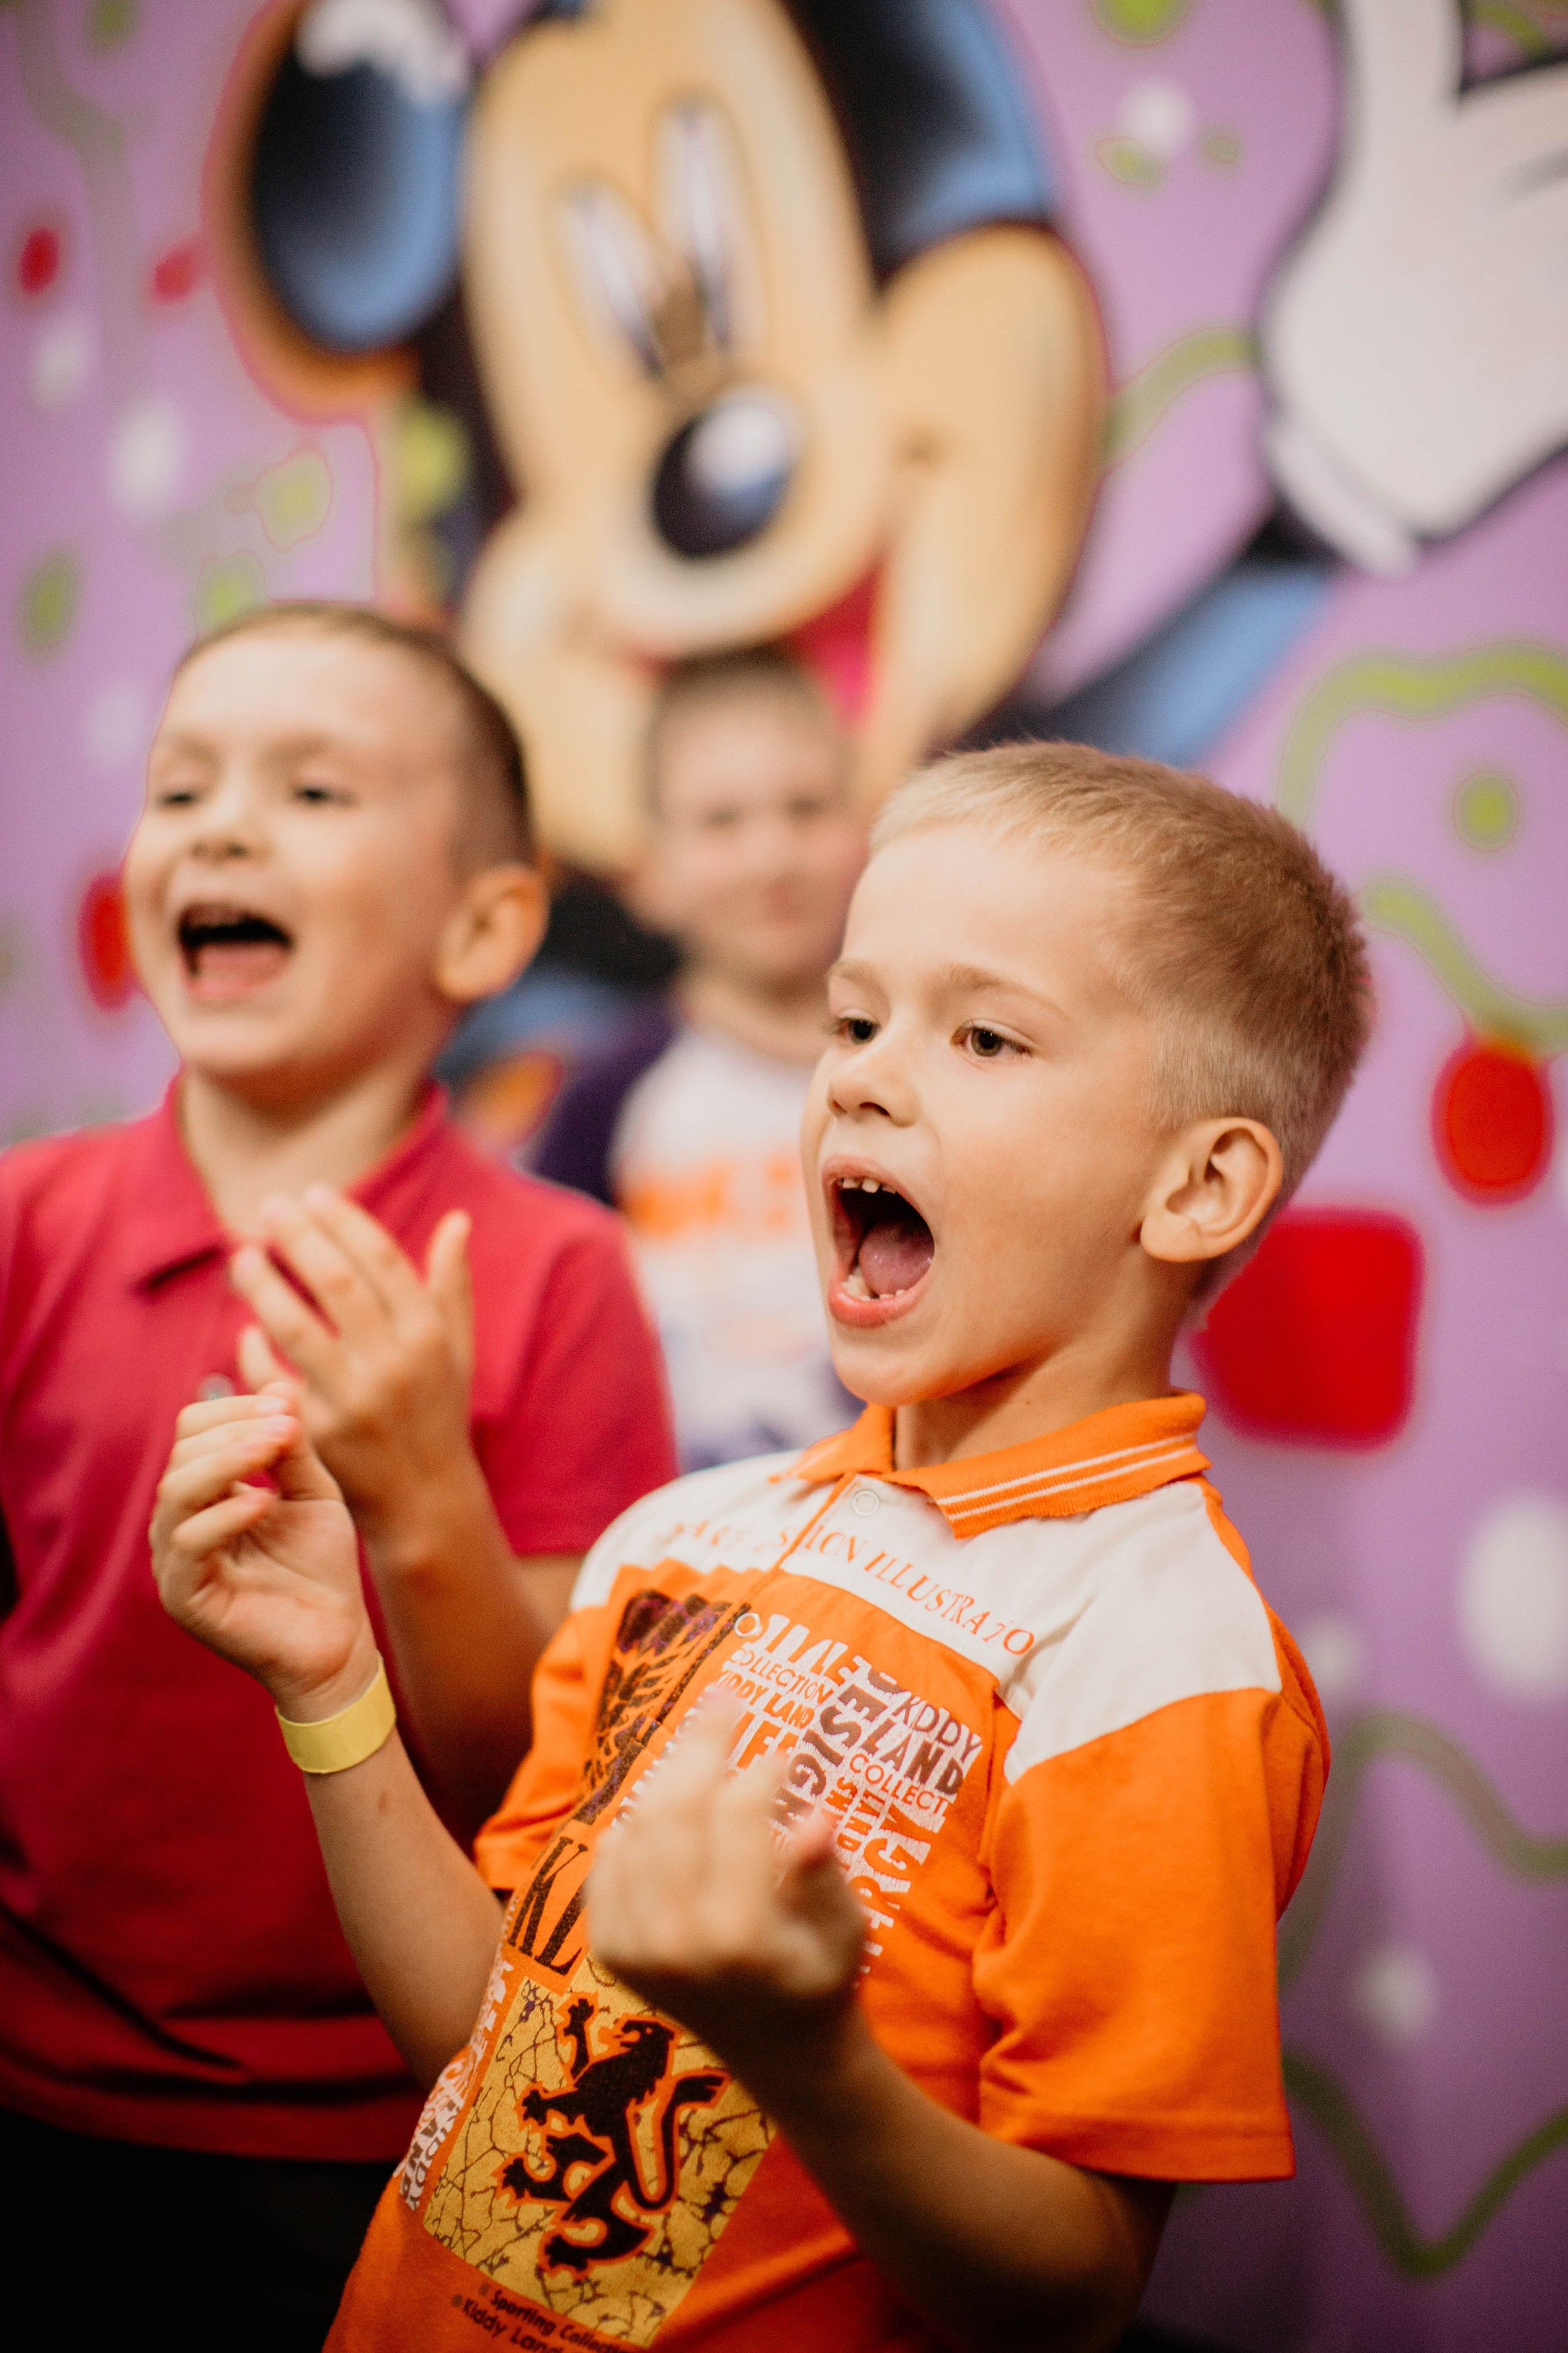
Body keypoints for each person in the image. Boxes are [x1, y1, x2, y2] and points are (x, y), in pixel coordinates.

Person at [150, 741, 1371, 2352]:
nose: (860, 1076)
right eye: (853, 1019)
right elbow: (480, 2026)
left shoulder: (1160, 1657)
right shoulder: (686, 1535)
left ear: (1198, 1184)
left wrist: (809, 2055)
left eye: (984, 1033)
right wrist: (330, 1675)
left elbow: (1071, 2293)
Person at [0, 604, 676, 2351]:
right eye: (181, 787)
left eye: (310, 789)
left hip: (384, 2119)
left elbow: (544, 1786)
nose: (222, 828)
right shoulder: (28, 1225)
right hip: (33, 2074)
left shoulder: (557, 1270)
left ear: (485, 923)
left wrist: (421, 1491)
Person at [533, 648, 867, 1467]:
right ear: (651, 874)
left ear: (867, 834)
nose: (771, 857)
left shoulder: (925, 1080)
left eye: (807, 808)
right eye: (722, 822)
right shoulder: (605, 1097)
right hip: (672, 1525)